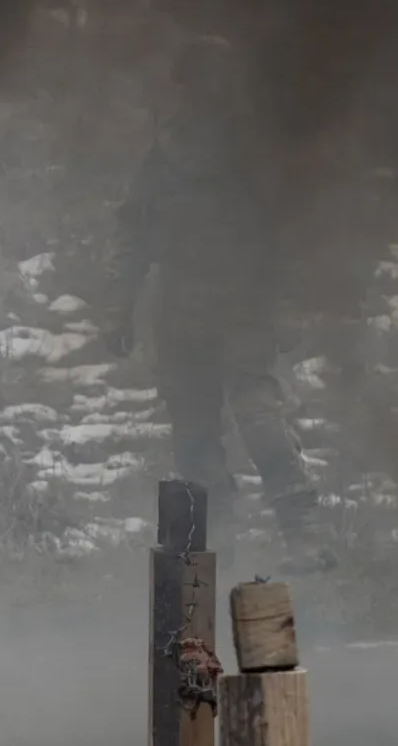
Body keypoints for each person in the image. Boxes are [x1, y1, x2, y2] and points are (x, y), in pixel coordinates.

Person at [98, 36, 330, 562]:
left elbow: (291, 230)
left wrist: (290, 301)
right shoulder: (167, 152)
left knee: (257, 416)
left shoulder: (256, 151)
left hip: (243, 299)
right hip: (182, 303)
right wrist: (120, 304)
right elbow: (132, 229)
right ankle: (217, 546)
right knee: (194, 433)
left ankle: (302, 531)